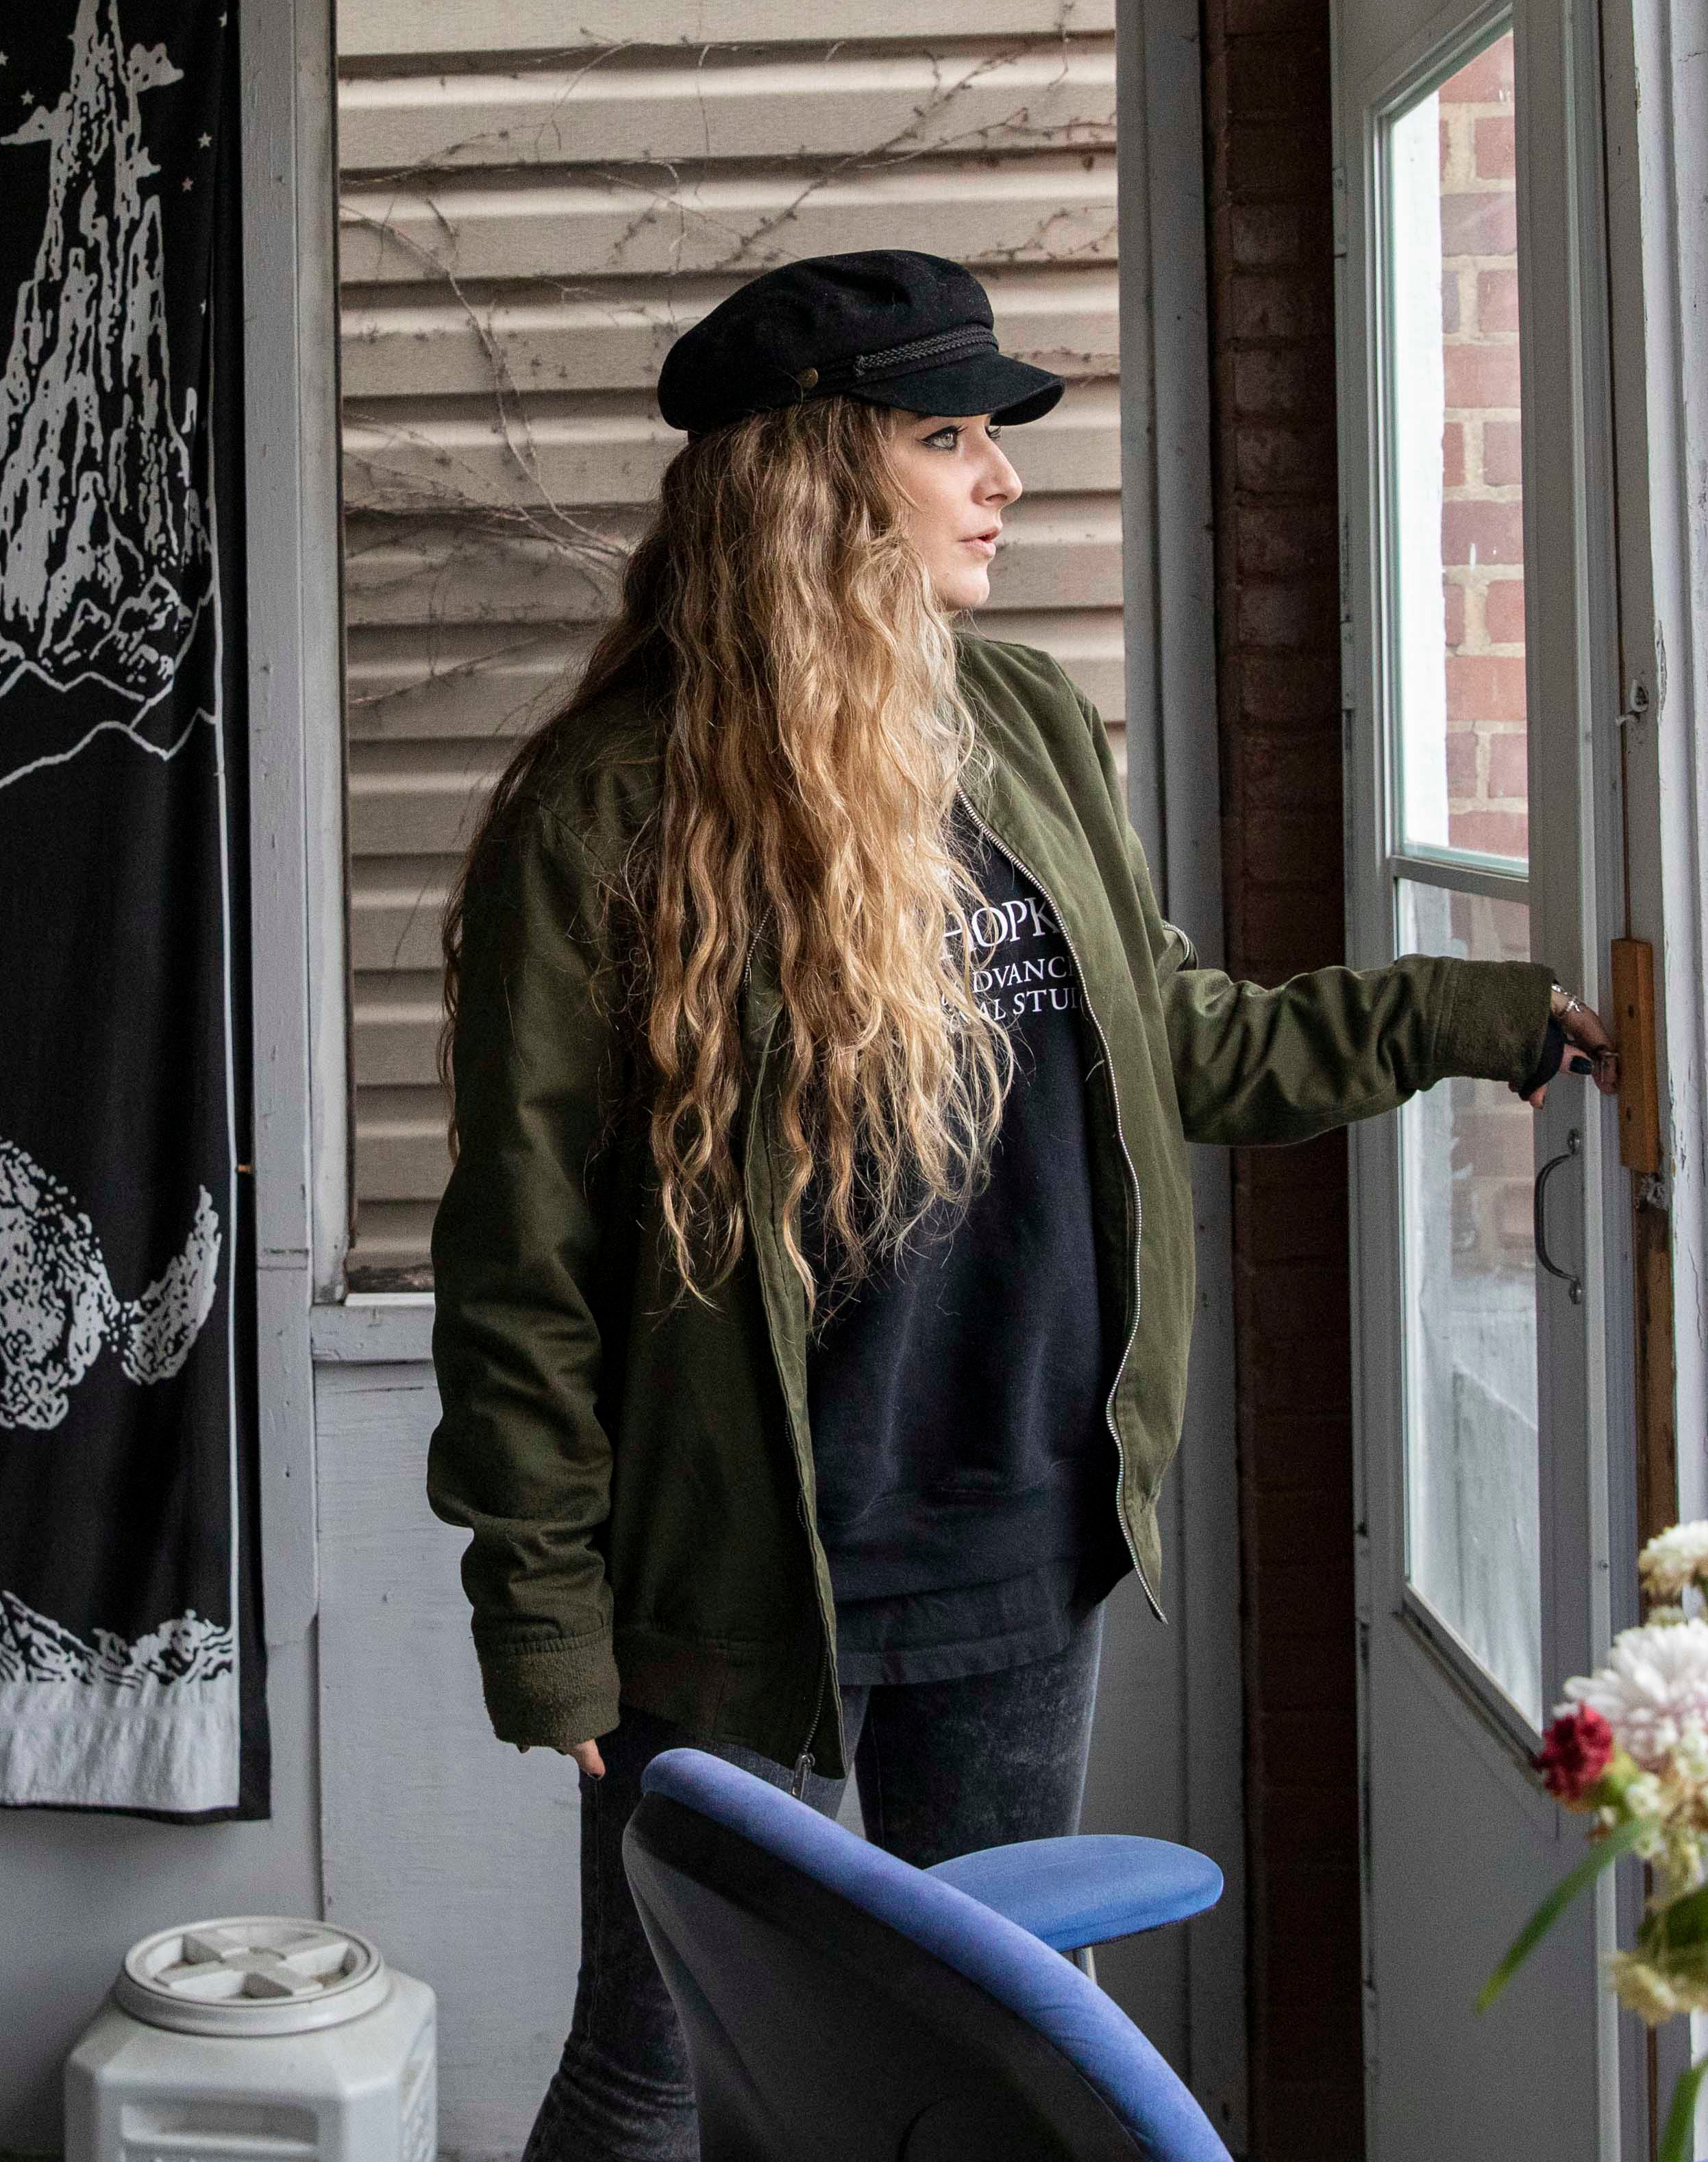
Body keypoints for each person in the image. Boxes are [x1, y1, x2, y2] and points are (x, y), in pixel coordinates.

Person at [428, 249, 1616, 2162]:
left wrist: (1466, 1015)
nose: (1003, 479)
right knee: (662, 2079)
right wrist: (543, 1614)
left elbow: (1186, 1044)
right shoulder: (606, 808)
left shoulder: (1031, 727)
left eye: (995, 436)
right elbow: (522, 1266)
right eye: (951, 434)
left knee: (977, 2078)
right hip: (731, 1593)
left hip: (1013, 1557)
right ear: (817, 482)